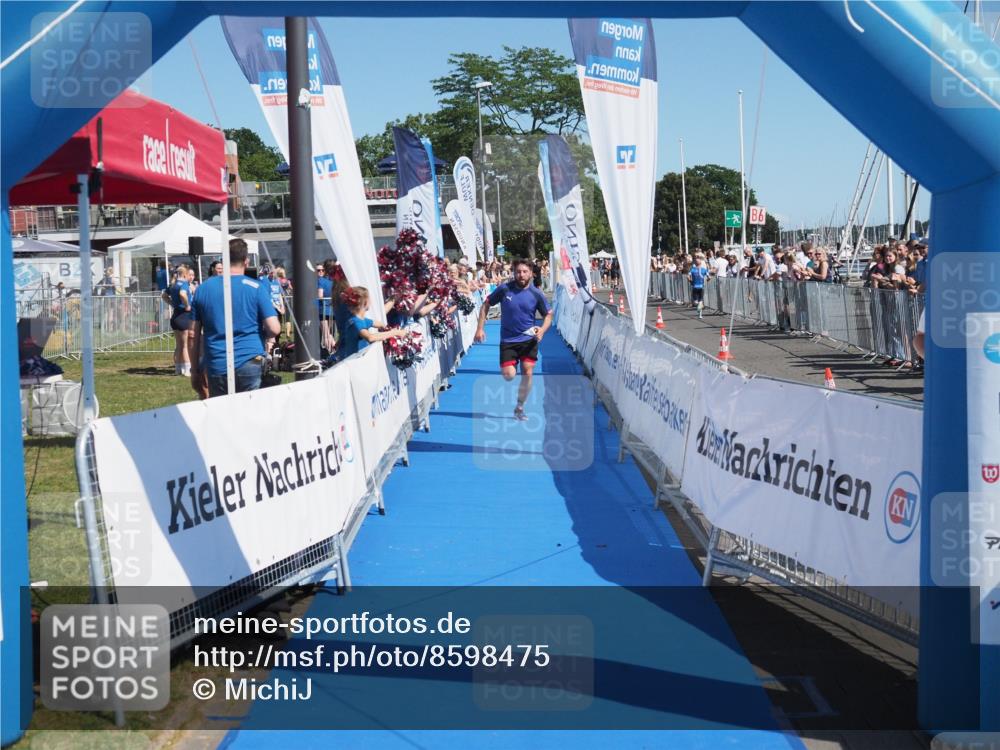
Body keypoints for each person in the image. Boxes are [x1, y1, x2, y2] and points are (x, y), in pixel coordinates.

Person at [190, 239, 280, 398]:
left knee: (222, 415)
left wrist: (195, 369)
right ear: (247, 261)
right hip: (250, 358)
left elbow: (193, 335)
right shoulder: (256, 287)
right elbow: (274, 328)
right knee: (250, 415)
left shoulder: (203, 289)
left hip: (217, 361)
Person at [474, 259, 553, 421]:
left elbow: (548, 315)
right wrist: (480, 328)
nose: (521, 275)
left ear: (531, 274)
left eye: (525, 272)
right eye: (518, 272)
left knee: (528, 371)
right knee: (509, 375)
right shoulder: (504, 289)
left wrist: (542, 330)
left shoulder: (536, 294)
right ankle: (515, 383)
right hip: (508, 340)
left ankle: (519, 406)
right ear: (514, 273)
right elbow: (486, 304)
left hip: (528, 339)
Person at [337, 286, 404, 360]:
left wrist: (389, 329)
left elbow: (380, 324)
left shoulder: (362, 320)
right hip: (353, 363)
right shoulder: (355, 322)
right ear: (365, 302)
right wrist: (395, 333)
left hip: (359, 360)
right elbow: (370, 337)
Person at [165, 264, 194, 376]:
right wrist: (187, 305)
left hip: (175, 316)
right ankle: (187, 370)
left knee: (179, 345)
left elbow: (164, 295)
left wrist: (172, 303)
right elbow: (183, 294)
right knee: (185, 345)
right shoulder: (184, 284)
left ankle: (178, 369)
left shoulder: (173, 284)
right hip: (184, 316)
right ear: (185, 274)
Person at [688, 253, 709, 318]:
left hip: (695, 287)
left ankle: (699, 311)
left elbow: (688, 276)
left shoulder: (692, 269)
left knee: (696, 302)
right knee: (700, 301)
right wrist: (706, 282)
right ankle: (700, 314)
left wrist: (690, 282)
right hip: (701, 287)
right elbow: (709, 277)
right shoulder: (704, 269)